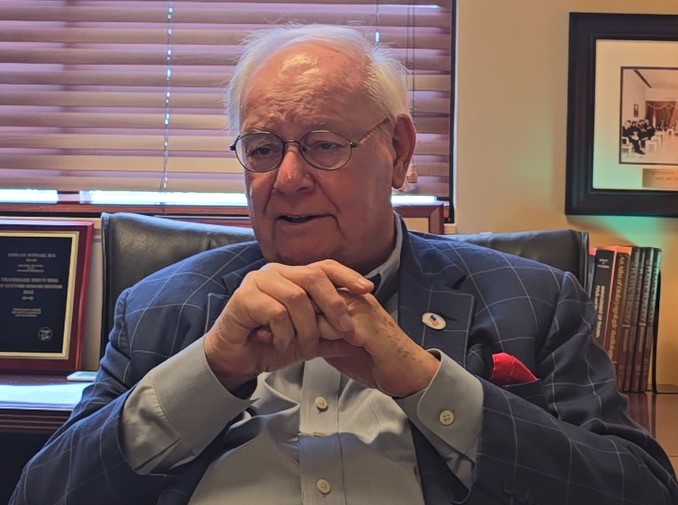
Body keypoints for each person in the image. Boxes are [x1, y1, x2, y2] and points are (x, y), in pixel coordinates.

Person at [11, 25, 677, 505]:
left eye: (323, 144)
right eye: (264, 148)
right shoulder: (160, 306)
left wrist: (424, 381)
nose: (288, 178)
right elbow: (43, 490)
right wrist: (209, 370)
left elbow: (639, 489)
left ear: (398, 150)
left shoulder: (532, 296)